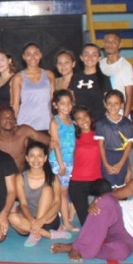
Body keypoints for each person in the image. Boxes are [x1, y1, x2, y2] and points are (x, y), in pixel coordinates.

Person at [9, 142, 71, 247]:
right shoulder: (20, 178)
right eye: (32, 156)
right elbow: (23, 204)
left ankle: (36, 234)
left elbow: (57, 203)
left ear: (45, 158)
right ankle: (48, 234)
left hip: (48, 220)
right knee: (11, 217)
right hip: (29, 222)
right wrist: (33, 222)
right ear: (27, 158)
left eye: (40, 156)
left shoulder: (53, 178)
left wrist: (41, 220)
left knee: (47, 190)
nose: (36, 160)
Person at [66, 106, 112, 226]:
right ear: (75, 122)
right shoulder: (72, 138)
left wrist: (127, 169)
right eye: (79, 119)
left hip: (95, 181)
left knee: (106, 187)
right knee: (87, 223)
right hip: (77, 182)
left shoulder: (99, 134)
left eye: (85, 116)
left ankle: (107, 224)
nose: (83, 120)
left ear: (90, 118)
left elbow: (112, 154)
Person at [48, 90, 77, 228]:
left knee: (64, 193)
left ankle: (65, 221)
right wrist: (61, 165)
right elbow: (55, 144)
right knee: (60, 193)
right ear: (56, 105)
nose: (66, 106)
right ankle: (63, 222)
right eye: (63, 104)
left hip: (69, 161)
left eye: (69, 103)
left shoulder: (71, 121)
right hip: (58, 162)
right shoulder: (55, 122)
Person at [11, 42, 54, 132]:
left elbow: (53, 101)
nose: (33, 57)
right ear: (23, 57)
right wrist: (13, 126)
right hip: (25, 125)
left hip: (47, 124)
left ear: (41, 55)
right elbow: (15, 105)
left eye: (36, 54)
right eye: (28, 54)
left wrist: (54, 122)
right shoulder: (18, 77)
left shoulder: (49, 75)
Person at [0, 105, 51, 171]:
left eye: (11, 117)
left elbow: (50, 142)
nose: (8, 119)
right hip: (2, 178)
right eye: (4, 117)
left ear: (15, 120)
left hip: (21, 176)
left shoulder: (24, 131)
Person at [95, 89, 133, 189]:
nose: (112, 106)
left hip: (121, 156)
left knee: (121, 186)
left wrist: (121, 164)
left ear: (122, 105)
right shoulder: (101, 123)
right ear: (105, 105)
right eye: (109, 103)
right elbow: (101, 145)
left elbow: (129, 145)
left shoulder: (127, 123)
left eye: (116, 103)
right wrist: (106, 164)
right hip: (107, 155)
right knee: (108, 186)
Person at [70, 43, 113, 115]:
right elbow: (72, 101)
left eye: (94, 55)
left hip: (98, 120)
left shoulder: (104, 79)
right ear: (81, 57)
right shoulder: (75, 77)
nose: (90, 58)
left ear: (99, 58)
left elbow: (109, 103)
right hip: (79, 121)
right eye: (86, 54)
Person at [99, 32, 133, 114]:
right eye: (107, 41)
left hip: (120, 114)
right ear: (103, 44)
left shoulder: (125, 66)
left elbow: (129, 96)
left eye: (114, 42)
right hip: (103, 116)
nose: (110, 44)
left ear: (120, 45)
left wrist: (124, 120)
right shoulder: (100, 65)